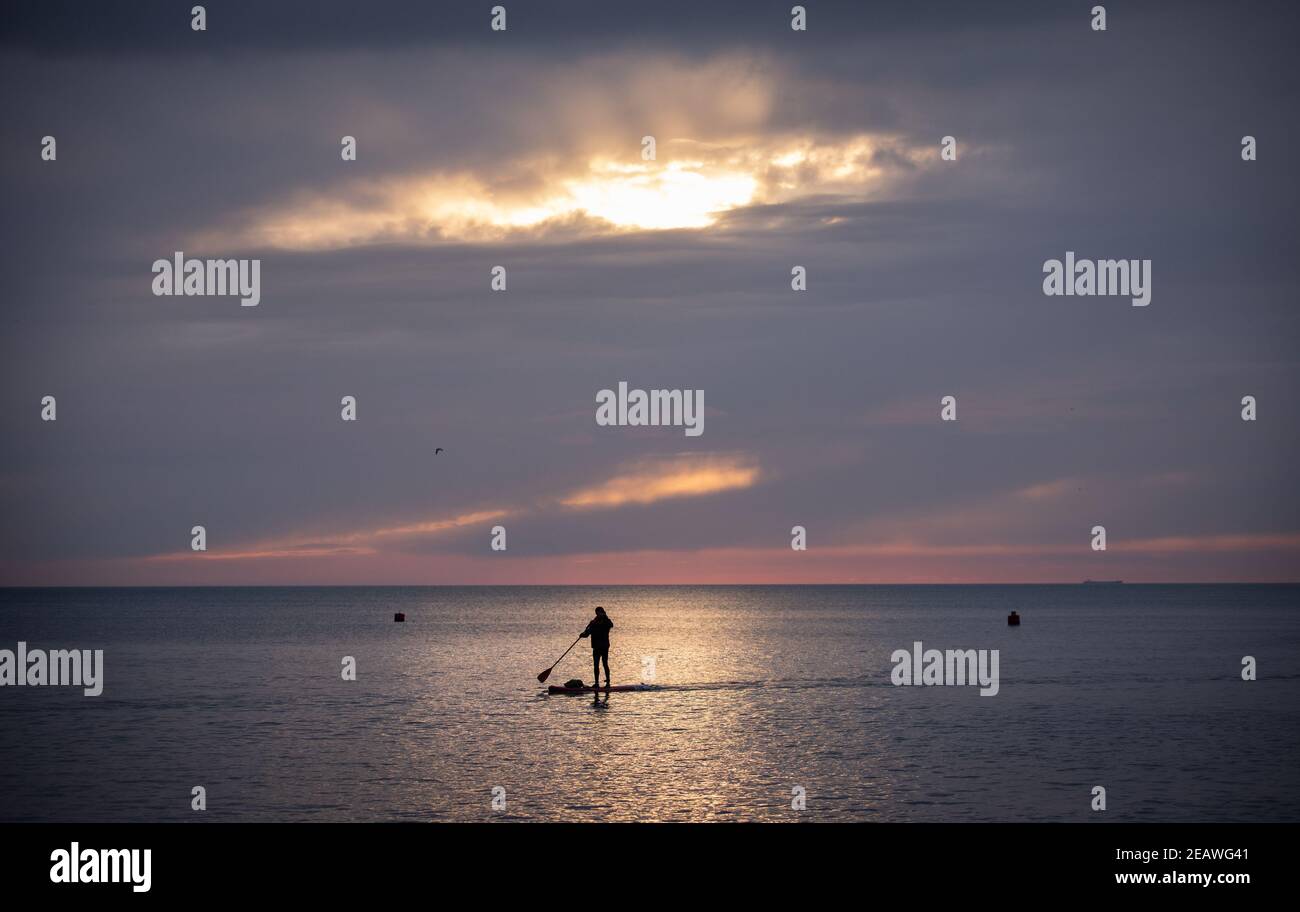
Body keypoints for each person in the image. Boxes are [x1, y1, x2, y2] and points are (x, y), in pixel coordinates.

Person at [579, 606, 614, 690]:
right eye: (597, 612)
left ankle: (608, 682)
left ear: (603, 612)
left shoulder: (606, 621)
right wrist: (582, 635)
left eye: (600, 612)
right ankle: (596, 683)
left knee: (605, 663)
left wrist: (604, 617)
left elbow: (611, 625)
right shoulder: (593, 623)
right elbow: (587, 633)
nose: (598, 614)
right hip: (596, 647)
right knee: (596, 665)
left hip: (604, 646)